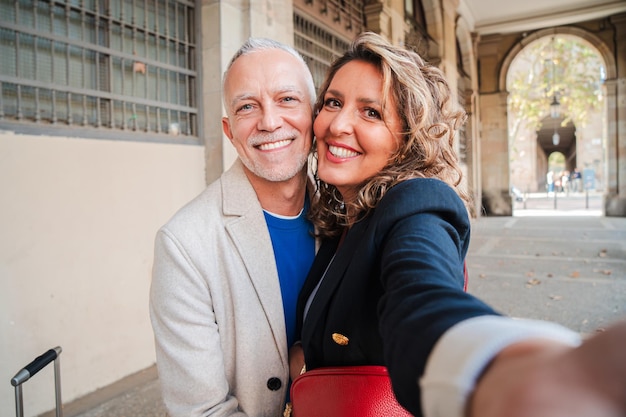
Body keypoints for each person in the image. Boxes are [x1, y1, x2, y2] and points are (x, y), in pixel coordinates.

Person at [291, 32, 626, 417]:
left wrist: (502, 371)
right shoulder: (343, 216)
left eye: (372, 112)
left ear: (406, 138)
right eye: (333, 102)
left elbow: (424, 304)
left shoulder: (416, 206)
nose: (337, 125)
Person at [149, 37, 317, 417]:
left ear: (315, 113)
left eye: (287, 99)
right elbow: (203, 411)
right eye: (247, 107)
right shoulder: (184, 245)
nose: (270, 121)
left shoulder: (346, 212)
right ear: (229, 130)